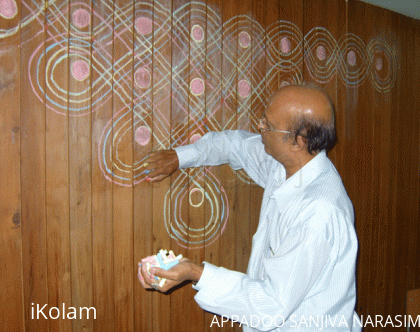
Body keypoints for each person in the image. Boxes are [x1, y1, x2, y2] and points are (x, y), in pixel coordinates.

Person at [138, 84, 361, 331]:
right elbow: (235, 144)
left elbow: (271, 305)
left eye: (268, 124)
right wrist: (180, 157)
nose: (260, 126)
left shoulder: (318, 213)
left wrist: (196, 273)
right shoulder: (287, 164)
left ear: (298, 141)